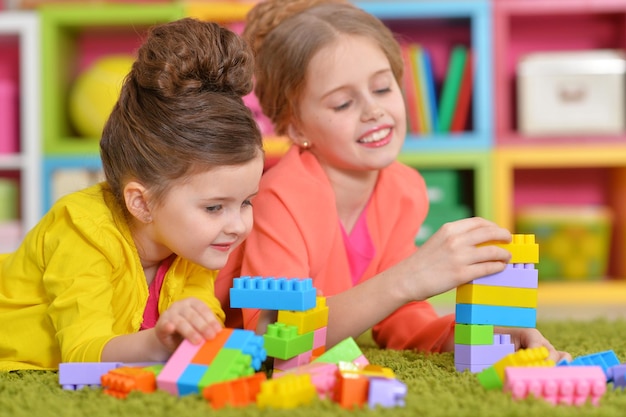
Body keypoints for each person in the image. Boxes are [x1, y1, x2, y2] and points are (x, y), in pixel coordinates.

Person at [216, 0, 570, 362]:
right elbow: (275, 340)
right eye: (342, 104)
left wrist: (480, 336)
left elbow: (398, 315)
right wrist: (407, 278)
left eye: (383, 88)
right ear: (295, 126)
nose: (374, 110)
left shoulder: (404, 189)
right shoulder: (280, 198)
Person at [0, 18, 265, 371]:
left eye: (245, 202)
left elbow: (200, 319)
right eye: (215, 207)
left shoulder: (195, 243)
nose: (237, 226)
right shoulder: (82, 231)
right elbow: (81, 354)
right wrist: (159, 341)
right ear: (141, 202)